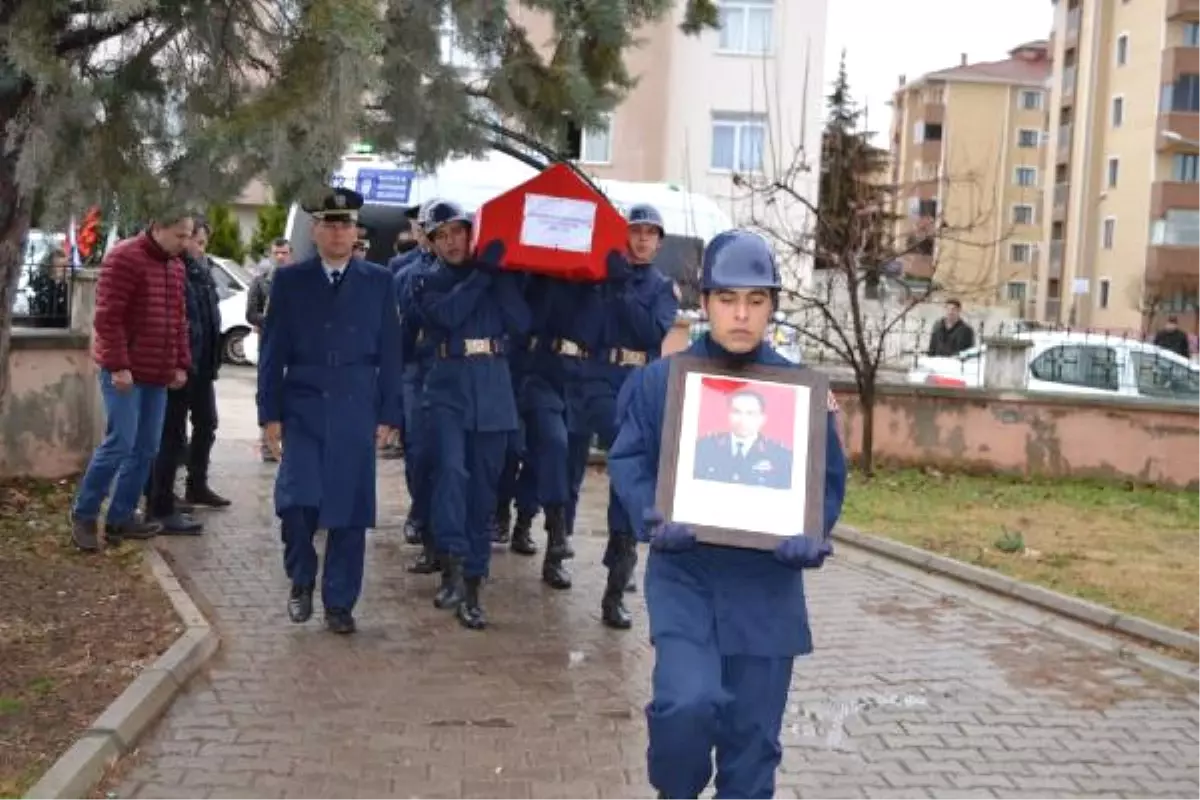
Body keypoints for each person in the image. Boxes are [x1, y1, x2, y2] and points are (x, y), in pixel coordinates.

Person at [606, 229, 847, 799]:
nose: (741, 315)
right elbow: (629, 458)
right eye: (727, 299)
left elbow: (827, 482)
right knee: (683, 708)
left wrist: (811, 534)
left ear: (772, 307)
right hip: (687, 579)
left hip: (767, 591)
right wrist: (653, 515)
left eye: (756, 301)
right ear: (705, 302)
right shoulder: (661, 383)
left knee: (751, 752)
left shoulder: (800, 394)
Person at [256, 187, 404, 634]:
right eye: (330, 224)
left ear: (356, 231)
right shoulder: (290, 280)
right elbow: (272, 351)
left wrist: (389, 413)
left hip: (356, 406)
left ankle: (339, 602)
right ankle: (301, 578)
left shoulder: (379, 281)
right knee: (297, 503)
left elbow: (392, 352)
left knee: (349, 509)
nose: (339, 233)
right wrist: (270, 413)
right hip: (302, 404)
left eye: (346, 225)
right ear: (316, 230)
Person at [407, 199, 530, 629]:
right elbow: (448, 316)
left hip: (494, 392)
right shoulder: (426, 281)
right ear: (432, 241)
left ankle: (475, 583)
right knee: (452, 476)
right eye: (442, 235)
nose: (451, 241)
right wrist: (483, 276)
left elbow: (522, 322)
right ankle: (452, 566)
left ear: (471, 233)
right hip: (448, 390)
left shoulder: (497, 277)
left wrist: (503, 277)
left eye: (458, 231)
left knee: (483, 490)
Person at [566, 203, 678, 628]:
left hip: (639, 385)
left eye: (652, 233)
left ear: (660, 241)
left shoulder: (662, 288)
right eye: (636, 231)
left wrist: (621, 290)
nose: (644, 239)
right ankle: (565, 540)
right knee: (607, 462)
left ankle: (617, 581)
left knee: (628, 479)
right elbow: (586, 331)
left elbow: (650, 332)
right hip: (598, 380)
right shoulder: (600, 279)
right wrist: (604, 285)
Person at [70, 212, 194, 552]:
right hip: (124, 373)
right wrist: (118, 365)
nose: (185, 243)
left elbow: (178, 321)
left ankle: (120, 517)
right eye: (180, 235)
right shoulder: (124, 257)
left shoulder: (175, 267)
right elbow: (108, 318)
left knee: (146, 448)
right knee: (120, 443)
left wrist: (180, 363)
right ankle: (84, 514)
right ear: (157, 227)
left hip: (158, 372)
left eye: (189, 236)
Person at [144, 218, 228, 534]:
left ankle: (197, 484)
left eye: (202, 242)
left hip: (202, 367)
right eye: (195, 240)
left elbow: (208, 320)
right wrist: (179, 362)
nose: (197, 247)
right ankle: (159, 499)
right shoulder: (173, 269)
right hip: (180, 366)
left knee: (207, 424)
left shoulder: (200, 271)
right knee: (171, 435)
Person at [394, 199, 443, 558]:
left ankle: (438, 523)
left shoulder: (465, 270)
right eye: (424, 227)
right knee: (418, 451)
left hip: (448, 369)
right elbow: (396, 336)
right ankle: (420, 512)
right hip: (414, 369)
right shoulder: (402, 271)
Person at [692, 388, 793, 490]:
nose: (742, 419)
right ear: (728, 415)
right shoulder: (704, 447)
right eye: (736, 412)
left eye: (750, 413)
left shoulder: (780, 456)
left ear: (762, 419)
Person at [247, 237, 291, 463]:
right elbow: (251, 314)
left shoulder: (299, 280)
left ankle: (289, 441)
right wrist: (271, 321)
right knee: (267, 391)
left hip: (294, 348)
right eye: (277, 253)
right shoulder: (261, 282)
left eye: (284, 252)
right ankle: (266, 442)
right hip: (268, 345)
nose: (281, 257)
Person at [27, 247, 71, 328]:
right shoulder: (44, 285)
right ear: (51, 268)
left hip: (62, 327)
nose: (64, 270)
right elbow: (39, 308)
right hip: (44, 326)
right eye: (60, 266)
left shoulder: (67, 286)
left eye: (66, 266)